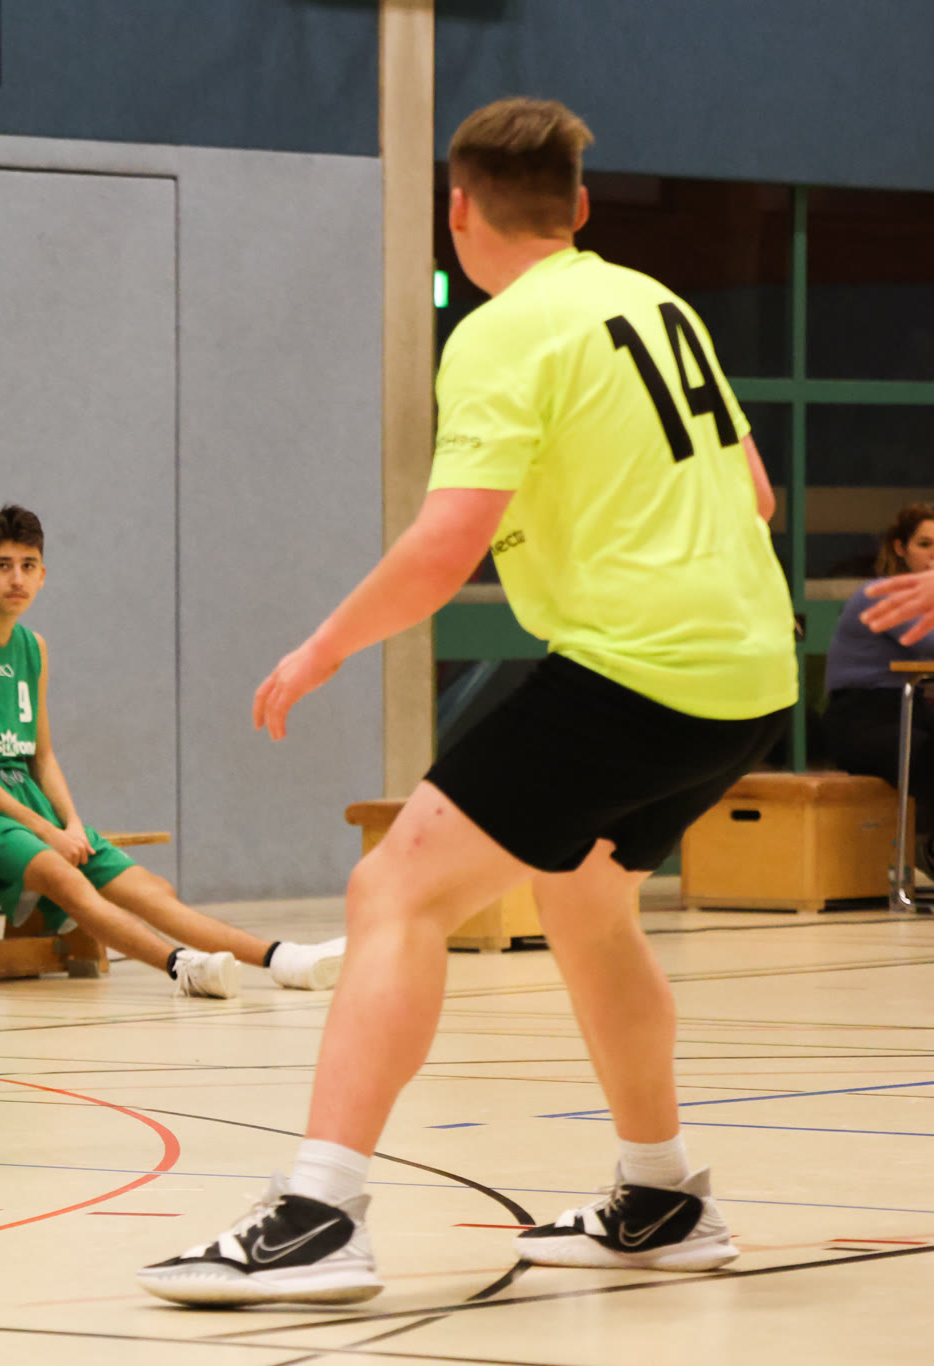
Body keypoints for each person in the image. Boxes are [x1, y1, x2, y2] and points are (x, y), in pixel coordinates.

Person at [138, 98, 795, 1308]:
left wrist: (322, 646)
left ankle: (316, 1214)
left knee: (392, 890)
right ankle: (660, 1196)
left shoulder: (501, 333)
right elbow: (753, 494)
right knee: (584, 897)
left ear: (455, 211)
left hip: (633, 671)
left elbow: (445, 548)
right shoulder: (657, 304)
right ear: (578, 206)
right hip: (752, 671)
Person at [0, 505, 345, 998]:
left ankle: (282, 958)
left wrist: (71, 823)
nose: (17, 579)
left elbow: (43, 756)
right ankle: (182, 967)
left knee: (153, 891)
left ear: (43, 575)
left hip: (27, 802)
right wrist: (47, 832)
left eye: (28, 566)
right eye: (3, 566)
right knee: (64, 877)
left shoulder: (34, 647)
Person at [825, 504, 934, 870]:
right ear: (900, 548)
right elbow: (928, 642)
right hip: (863, 720)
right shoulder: (884, 592)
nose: (933, 556)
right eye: (924, 544)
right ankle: (923, 850)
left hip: (909, 712)